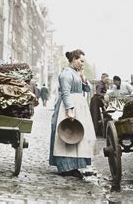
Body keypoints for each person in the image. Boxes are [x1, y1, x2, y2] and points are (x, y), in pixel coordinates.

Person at [49, 49, 95, 179]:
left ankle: (74, 166)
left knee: (78, 135)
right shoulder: (66, 74)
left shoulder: (76, 73)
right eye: (81, 61)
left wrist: (83, 78)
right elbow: (65, 92)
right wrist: (69, 109)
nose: (82, 64)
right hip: (68, 106)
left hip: (79, 106)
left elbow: (88, 89)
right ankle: (65, 167)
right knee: (66, 134)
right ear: (74, 59)